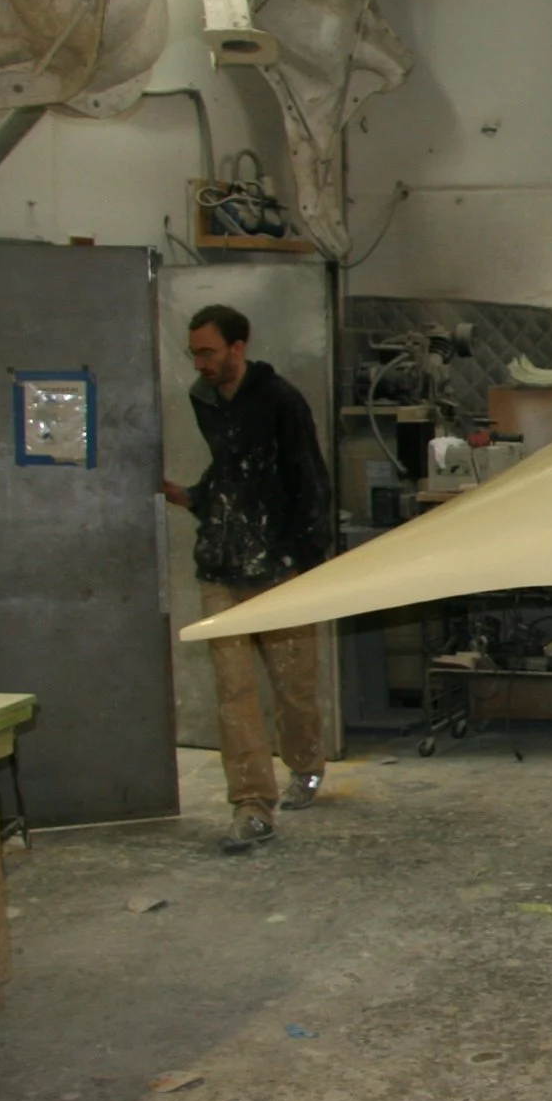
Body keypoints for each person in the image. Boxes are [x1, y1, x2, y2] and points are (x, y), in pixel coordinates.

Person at [161, 305, 334, 852]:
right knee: (233, 693)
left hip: (279, 567)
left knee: (293, 685)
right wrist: (192, 497)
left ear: (238, 347)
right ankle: (252, 804)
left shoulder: (281, 401)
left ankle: (306, 765)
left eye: (208, 352)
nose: (200, 363)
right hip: (221, 564)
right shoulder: (206, 399)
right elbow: (228, 472)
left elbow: (309, 480)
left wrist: (310, 566)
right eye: (194, 352)